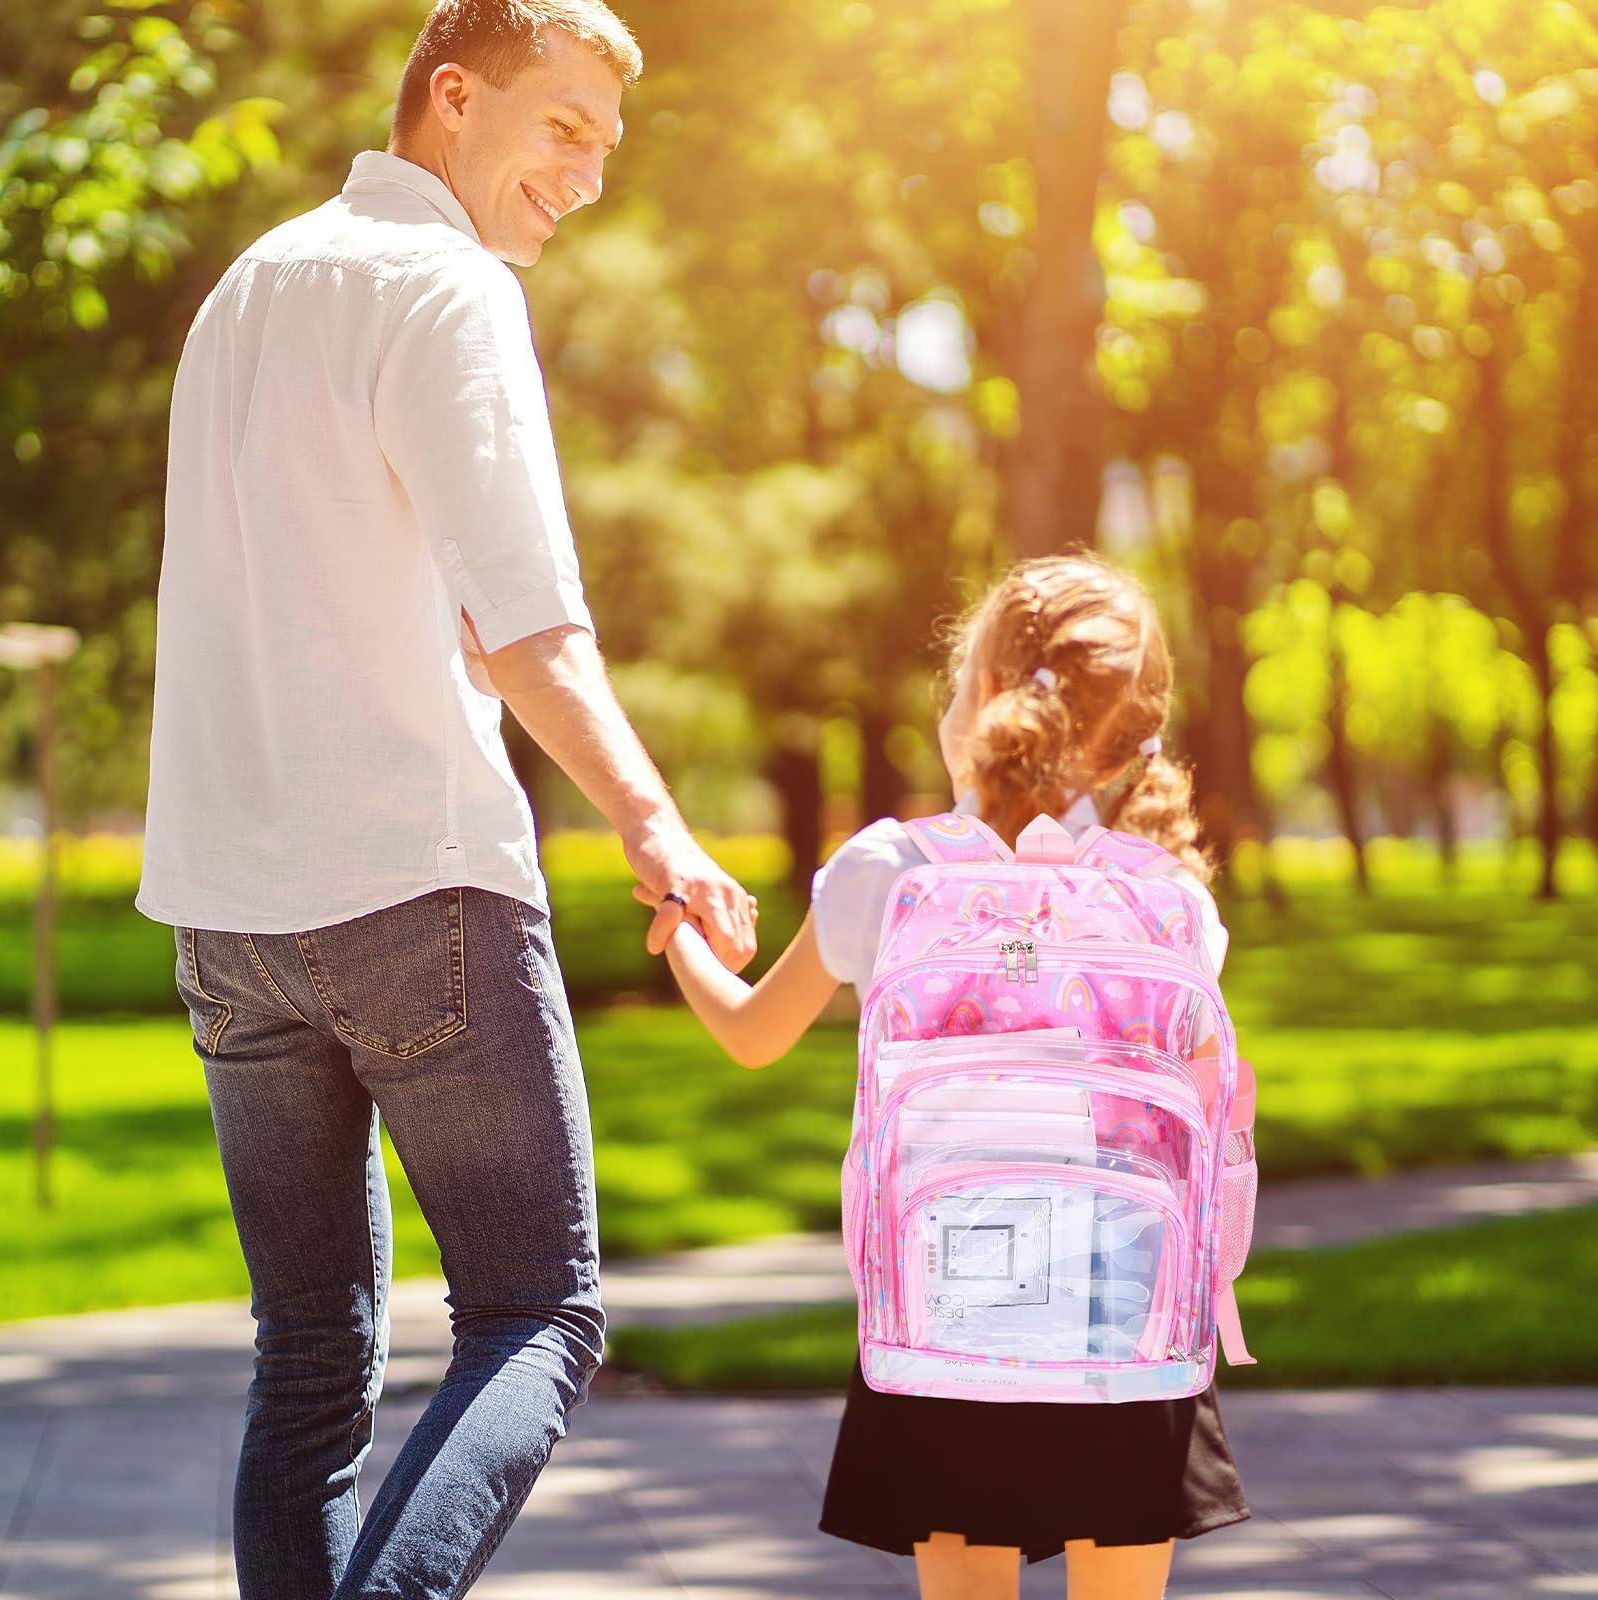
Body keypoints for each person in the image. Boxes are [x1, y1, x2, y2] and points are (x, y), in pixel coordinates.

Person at [136, 3, 756, 1596]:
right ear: (454, 97)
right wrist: (654, 823)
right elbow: (521, 623)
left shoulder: (246, 289)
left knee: (310, 1367)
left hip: (227, 914)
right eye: (564, 130)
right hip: (415, 885)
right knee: (536, 1313)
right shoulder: (447, 286)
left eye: (607, 151)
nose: (588, 177)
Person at [638, 552, 1250, 1600]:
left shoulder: (891, 870)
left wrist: (682, 938)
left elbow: (750, 1033)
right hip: (1128, 1315)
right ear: (1132, 735)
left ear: (980, 699)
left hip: (950, 1313)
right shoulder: (1171, 902)